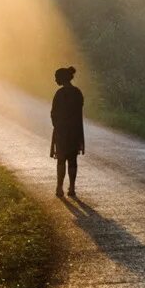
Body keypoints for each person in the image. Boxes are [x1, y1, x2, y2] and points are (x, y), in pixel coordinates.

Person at [50, 65, 85, 198]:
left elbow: (53, 113)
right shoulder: (77, 93)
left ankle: (59, 187)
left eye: (56, 78)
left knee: (61, 159)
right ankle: (72, 188)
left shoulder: (59, 94)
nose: (55, 80)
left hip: (61, 131)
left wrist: (57, 126)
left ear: (61, 78)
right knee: (72, 160)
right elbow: (79, 110)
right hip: (75, 131)